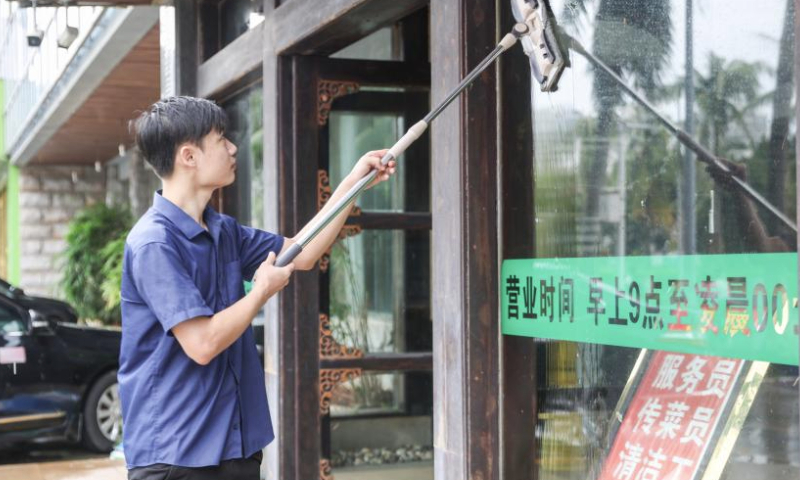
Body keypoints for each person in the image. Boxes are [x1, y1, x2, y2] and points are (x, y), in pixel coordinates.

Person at [118, 96, 396, 480]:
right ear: (189, 156)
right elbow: (201, 344)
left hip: (236, 449)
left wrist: (353, 182)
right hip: (175, 458)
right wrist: (259, 293)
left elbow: (303, 253)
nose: (233, 148)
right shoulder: (154, 244)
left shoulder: (222, 230)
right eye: (221, 139)